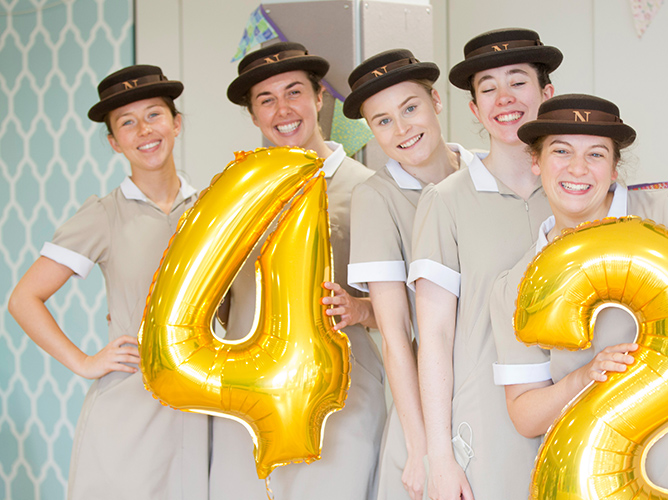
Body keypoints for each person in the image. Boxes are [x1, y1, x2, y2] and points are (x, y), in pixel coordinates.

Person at [490, 93, 668, 500]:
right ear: (535, 161)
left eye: (596, 154)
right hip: (601, 485)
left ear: (614, 167)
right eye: (561, 151)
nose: (577, 168)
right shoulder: (520, 283)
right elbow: (524, 413)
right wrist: (583, 378)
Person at [7, 65, 207, 500]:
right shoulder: (103, 215)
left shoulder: (212, 209)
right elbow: (24, 298)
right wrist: (84, 362)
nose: (144, 131)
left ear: (176, 123)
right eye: (127, 123)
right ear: (115, 143)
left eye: (154, 115)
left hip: (207, 404)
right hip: (131, 412)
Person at [209, 42, 385, 500]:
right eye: (266, 100)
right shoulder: (232, 197)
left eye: (294, 92)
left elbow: (412, 306)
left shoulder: (368, 190)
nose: (282, 110)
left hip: (342, 398)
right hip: (247, 399)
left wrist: (362, 307)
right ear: (253, 116)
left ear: (319, 98)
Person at [407, 28, 561, 499]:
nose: (504, 98)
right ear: (474, 109)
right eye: (488, 88)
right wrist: (440, 456)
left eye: (518, 81)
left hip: (574, 406)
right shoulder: (445, 202)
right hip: (485, 427)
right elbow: (434, 335)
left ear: (546, 94)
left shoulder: (575, 193)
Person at [343, 49, 478, 500]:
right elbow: (398, 335)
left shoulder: (488, 172)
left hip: (500, 393)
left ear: (436, 101)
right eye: (382, 121)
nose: (402, 129)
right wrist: (421, 448)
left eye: (410, 108)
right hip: (426, 408)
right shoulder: (375, 199)